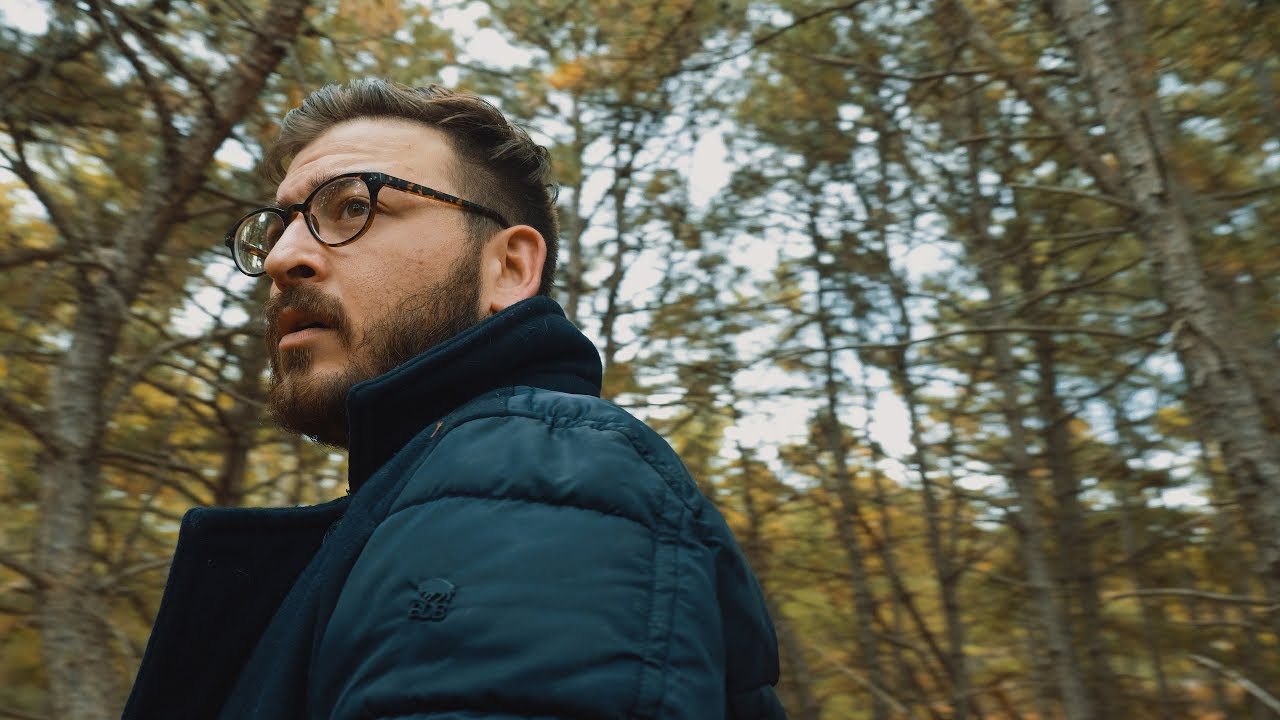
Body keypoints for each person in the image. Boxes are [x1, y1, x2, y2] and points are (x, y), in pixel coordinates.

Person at [121, 78, 784, 720]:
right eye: (277, 230)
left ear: (509, 268)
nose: (280, 258)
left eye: (352, 207)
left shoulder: (541, 474)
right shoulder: (433, 496)